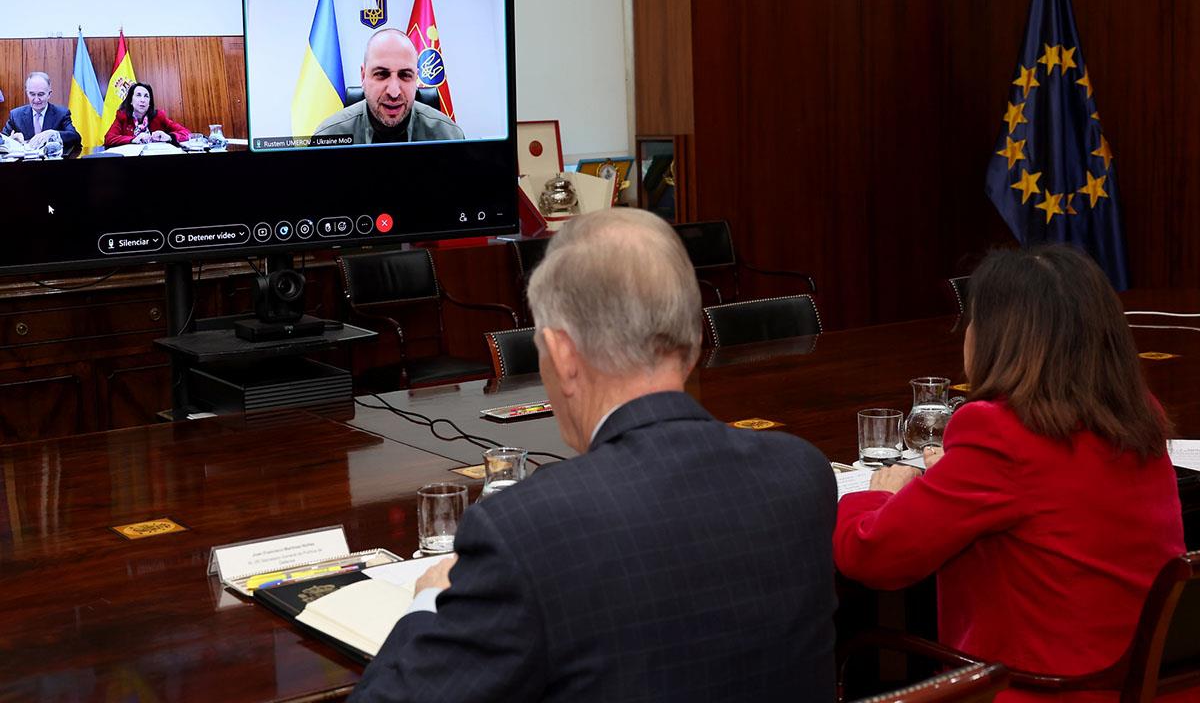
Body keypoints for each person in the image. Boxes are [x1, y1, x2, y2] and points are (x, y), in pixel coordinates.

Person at [351, 208, 837, 702]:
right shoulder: (801, 474)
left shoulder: (524, 529)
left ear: (562, 356)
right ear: (692, 346)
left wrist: (429, 601)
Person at [835, 244, 1185, 703]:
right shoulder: (1139, 417)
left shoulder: (997, 431)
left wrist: (879, 494)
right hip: (1154, 685)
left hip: (1041, 691)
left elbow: (872, 555)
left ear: (999, 338)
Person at [312, 28, 463, 145]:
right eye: (382, 74)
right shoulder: (328, 137)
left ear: (416, 78)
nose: (394, 92)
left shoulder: (448, 136)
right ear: (363, 76)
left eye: (405, 75)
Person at [2, 72, 81, 153]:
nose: (36, 99)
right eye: (32, 94)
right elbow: (2, 141)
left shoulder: (61, 114)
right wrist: (11, 141)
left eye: (40, 94)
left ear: (49, 94)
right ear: (27, 93)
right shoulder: (15, 115)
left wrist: (54, 134)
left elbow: (76, 138)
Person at [103, 82, 190, 147]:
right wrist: (133, 139)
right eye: (138, 95)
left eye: (146, 96)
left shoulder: (159, 116)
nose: (142, 100)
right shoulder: (122, 117)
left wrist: (169, 137)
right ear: (131, 101)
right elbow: (109, 139)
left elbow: (186, 133)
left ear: (149, 103)